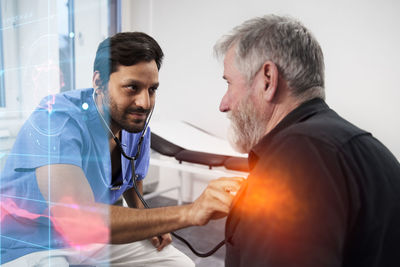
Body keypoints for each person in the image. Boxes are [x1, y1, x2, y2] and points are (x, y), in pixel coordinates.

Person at [0, 32, 242, 266]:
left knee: (177, 263)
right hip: (31, 241)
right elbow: (77, 220)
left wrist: (149, 223)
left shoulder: (135, 126)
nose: (144, 103)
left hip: (91, 241)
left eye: (152, 89)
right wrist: (190, 213)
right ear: (99, 82)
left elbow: (132, 181)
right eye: (131, 88)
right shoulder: (55, 121)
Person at [214, 15, 400, 267]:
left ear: (268, 79)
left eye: (229, 84)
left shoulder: (296, 159)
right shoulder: (364, 147)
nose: (224, 105)